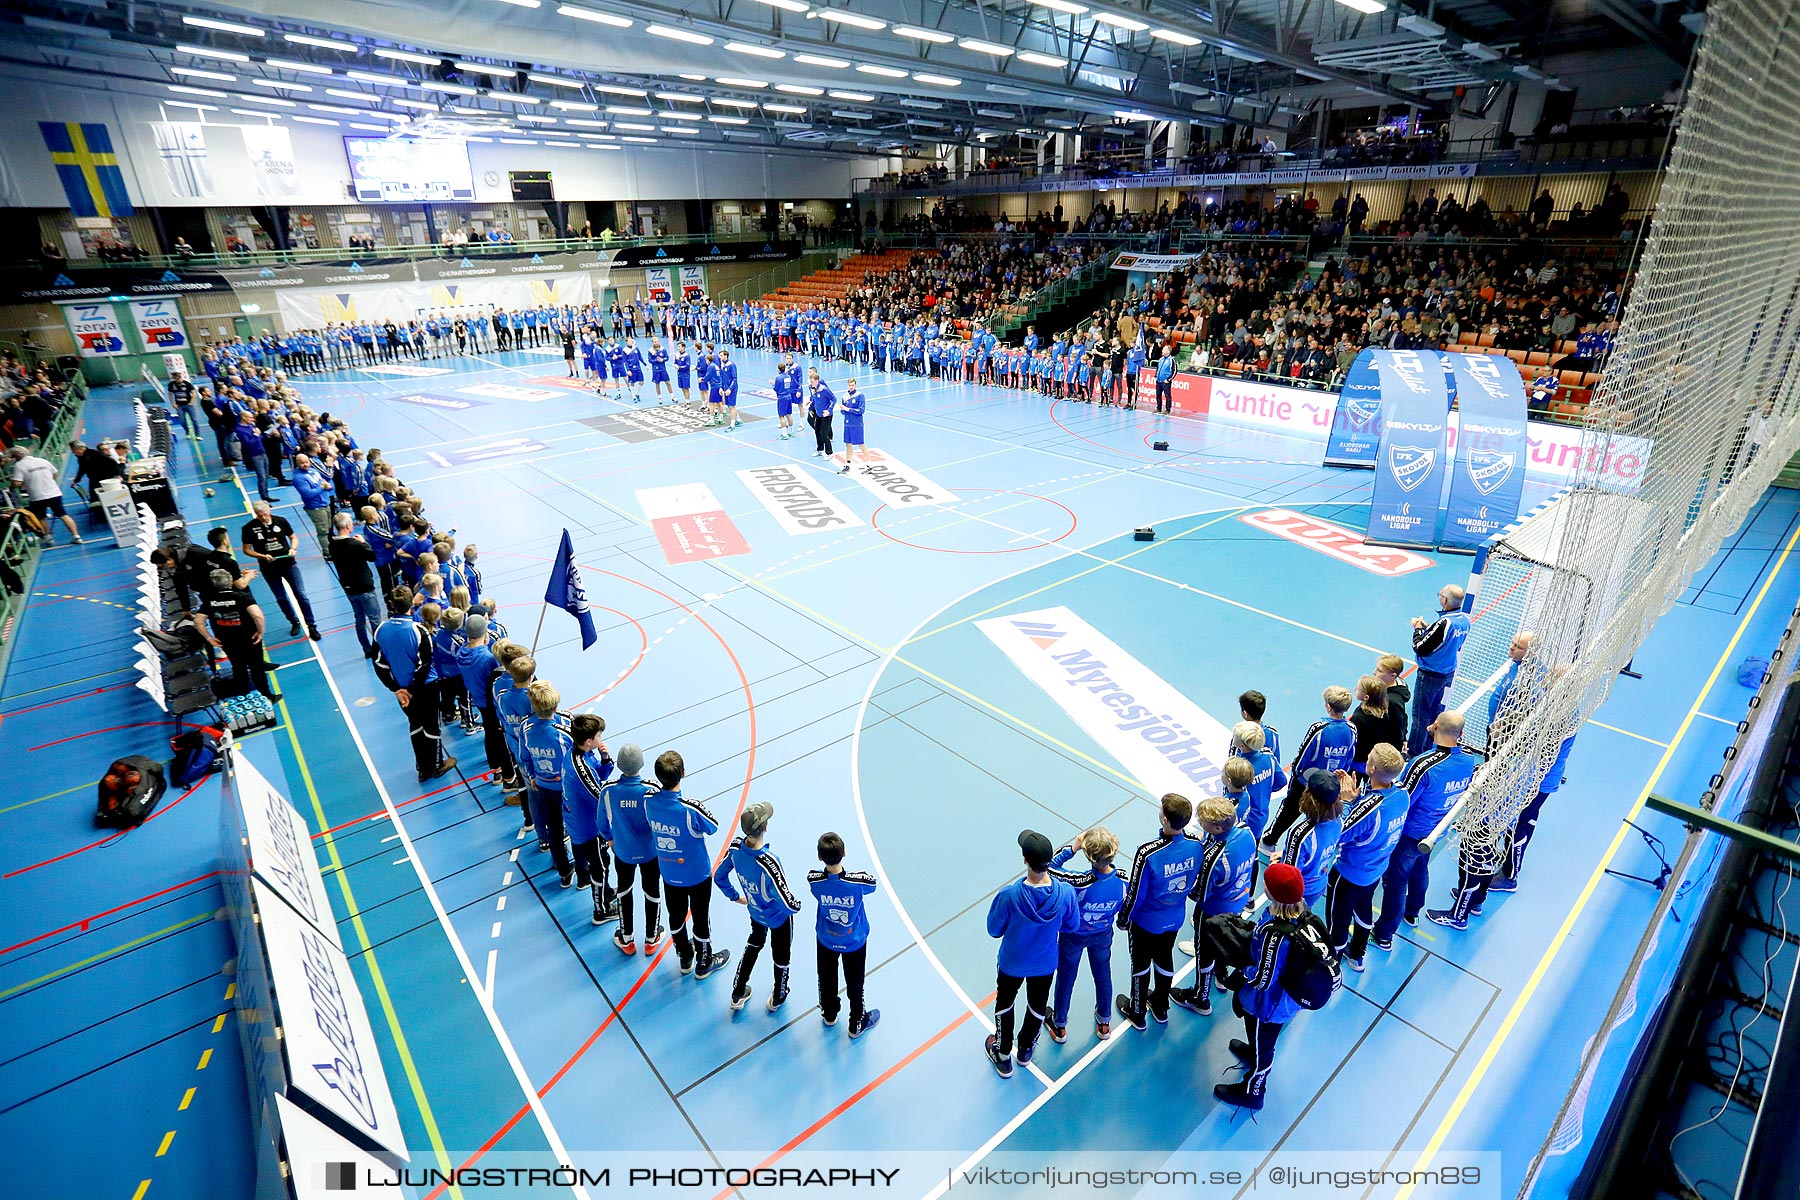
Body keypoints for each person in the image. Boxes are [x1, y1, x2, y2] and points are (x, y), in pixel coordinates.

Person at [1371, 711, 1475, 949]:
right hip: (1436, 830)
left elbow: (1403, 798)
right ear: (1461, 734)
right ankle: (1413, 911)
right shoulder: (1469, 759)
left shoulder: (1424, 764)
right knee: (1420, 869)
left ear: (1435, 726)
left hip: (1411, 832)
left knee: (1396, 882)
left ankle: (1384, 934)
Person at [1214, 863, 1311, 1111]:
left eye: (1266, 884)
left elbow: (1262, 979)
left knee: (1265, 1045)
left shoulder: (1276, 934)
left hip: (1267, 1005)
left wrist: (1241, 971)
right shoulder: (1301, 914)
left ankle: (1253, 1091)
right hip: (1282, 1000)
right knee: (1260, 1041)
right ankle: (1254, 1052)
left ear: (1272, 893)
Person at [984, 829, 1080, 1078]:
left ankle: (1003, 1054)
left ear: (1024, 859)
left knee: (1005, 1003)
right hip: (1045, 963)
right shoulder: (1066, 893)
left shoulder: (1009, 895)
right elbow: (1072, 925)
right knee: (1037, 1005)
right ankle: (1026, 1049)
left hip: (1012, 963)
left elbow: (994, 929)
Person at [1115, 794, 1202, 1031]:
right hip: (1174, 917)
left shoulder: (1148, 853)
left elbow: (1136, 893)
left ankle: (1137, 1009)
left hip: (1146, 922)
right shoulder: (1196, 844)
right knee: (1164, 956)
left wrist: (1123, 918)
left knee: (1140, 963)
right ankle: (1161, 1006)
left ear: (1164, 818)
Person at [645, 750, 731, 978]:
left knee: (676, 916)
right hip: (697, 875)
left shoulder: (649, 803)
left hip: (669, 874)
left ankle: (684, 956)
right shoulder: (689, 808)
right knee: (701, 918)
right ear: (683, 773)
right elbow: (713, 826)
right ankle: (704, 962)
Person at [1170, 795, 1257, 1014]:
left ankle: (1200, 997)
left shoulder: (1216, 859)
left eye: (1204, 823)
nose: (1200, 825)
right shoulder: (1247, 832)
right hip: (1237, 902)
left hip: (1212, 912)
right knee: (1225, 942)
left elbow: (1199, 894)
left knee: (1205, 952)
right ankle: (1221, 974)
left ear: (1217, 827)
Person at [1326, 744, 1410, 971]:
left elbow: (1339, 833)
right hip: (1376, 869)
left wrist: (1346, 802)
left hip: (1349, 873)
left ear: (1371, 769)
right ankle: (1357, 955)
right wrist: (1357, 800)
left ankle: (1333, 960)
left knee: (1338, 919)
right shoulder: (1402, 794)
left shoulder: (1369, 809)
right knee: (1364, 909)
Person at [717, 801, 804, 1012]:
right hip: (778, 918)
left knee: (754, 943)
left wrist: (736, 896)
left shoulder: (737, 848)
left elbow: (719, 875)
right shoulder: (769, 862)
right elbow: (786, 901)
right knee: (781, 955)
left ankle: (738, 992)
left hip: (755, 911)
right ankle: (779, 995)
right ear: (765, 828)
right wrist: (796, 905)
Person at [1046, 827, 1127, 1044]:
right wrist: (1121, 922)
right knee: (1103, 975)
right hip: (1102, 934)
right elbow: (1128, 905)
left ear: (1088, 855)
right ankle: (1104, 1021)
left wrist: (1073, 847)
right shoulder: (1123, 879)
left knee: (1066, 978)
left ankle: (1060, 1025)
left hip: (1073, 936)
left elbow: (1050, 866)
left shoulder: (1079, 881)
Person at [373, 585, 457, 785]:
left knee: (415, 725)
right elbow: (425, 665)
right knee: (431, 726)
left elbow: (378, 663)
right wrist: (411, 690)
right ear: (411, 604)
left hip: (402, 692)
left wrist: (396, 689)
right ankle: (436, 765)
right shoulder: (418, 631)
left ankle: (422, 768)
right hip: (425, 688)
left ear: (392, 605)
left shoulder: (380, 630)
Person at [1263, 686, 1356, 847]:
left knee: (1290, 809)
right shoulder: (1351, 729)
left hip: (1307, 780)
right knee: (1320, 813)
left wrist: (1296, 773)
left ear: (1328, 706)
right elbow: (1350, 755)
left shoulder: (1319, 729)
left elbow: (1303, 753)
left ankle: (1270, 839)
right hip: (1331, 782)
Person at [809, 832, 880, 1037]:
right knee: (855, 981)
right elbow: (872, 884)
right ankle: (856, 1022)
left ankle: (829, 1014)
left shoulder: (814, 880)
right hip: (853, 941)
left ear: (819, 857)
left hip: (826, 939)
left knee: (826, 977)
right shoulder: (857, 882)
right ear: (845, 853)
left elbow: (817, 881)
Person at [601, 743, 665, 956]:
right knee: (652, 890)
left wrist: (610, 839)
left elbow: (601, 822)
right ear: (642, 764)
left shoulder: (609, 790)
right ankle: (651, 937)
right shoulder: (651, 790)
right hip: (650, 852)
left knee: (624, 890)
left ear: (619, 766)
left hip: (623, 852)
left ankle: (626, 938)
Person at [561, 711, 621, 924]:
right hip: (588, 828)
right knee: (600, 867)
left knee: (601, 864)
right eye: (599, 736)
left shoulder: (579, 753)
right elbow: (600, 797)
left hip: (580, 820)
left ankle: (605, 892)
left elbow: (599, 775)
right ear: (589, 741)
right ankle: (601, 910)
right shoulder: (580, 769)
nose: (601, 739)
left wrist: (605, 760)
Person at [519, 680, 578, 888]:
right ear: (555, 707)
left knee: (553, 827)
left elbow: (524, 757)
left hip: (542, 785)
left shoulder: (526, 727)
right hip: (565, 789)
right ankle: (584, 870)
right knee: (576, 826)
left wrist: (533, 775)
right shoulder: (563, 732)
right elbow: (575, 763)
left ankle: (564, 872)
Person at [241, 501, 320, 641]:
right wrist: (262, 556)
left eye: (265, 514)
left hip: (289, 565)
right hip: (269, 568)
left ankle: (311, 625)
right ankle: (293, 621)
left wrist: (293, 548)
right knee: (281, 597)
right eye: (260, 516)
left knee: (301, 595)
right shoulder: (249, 528)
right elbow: (246, 550)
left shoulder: (281, 521)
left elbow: (293, 537)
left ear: (269, 510)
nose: (264, 518)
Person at [1271, 768, 1350, 907]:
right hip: (1318, 884)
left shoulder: (1300, 834)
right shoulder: (1340, 819)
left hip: (1298, 894)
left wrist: (1276, 866)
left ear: (1309, 798)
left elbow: (1289, 877)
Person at [1408, 584, 1469, 755]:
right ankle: (1431, 746)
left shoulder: (1445, 622)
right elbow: (1445, 641)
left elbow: (1420, 646)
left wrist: (1418, 629)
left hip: (1430, 674)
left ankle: (1414, 753)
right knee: (1435, 711)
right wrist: (1430, 629)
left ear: (1445, 599)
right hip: (1447, 672)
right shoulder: (1464, 620)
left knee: (1420, 716)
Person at [197, 568, 275, 699]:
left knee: (238, 667)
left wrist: (209, 638)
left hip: (226, 640)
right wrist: (260, 632)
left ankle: (244, 695)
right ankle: (267, 695)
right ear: (231, 582)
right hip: (249, 638)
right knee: (257, 667)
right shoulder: (242, 597)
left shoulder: (210, 601)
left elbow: (198, 621)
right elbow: (258, 616)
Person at [329, 512, 382, 657]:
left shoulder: (332, 544)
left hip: (349, 588)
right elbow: (372, 556)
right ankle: (379, 649)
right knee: (374, 619)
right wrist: (364, 543)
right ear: (347, 526)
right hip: (364, 586)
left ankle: (367, 649)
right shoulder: (354, 544)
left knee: (359, 619)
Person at [5, 447, 82, 547]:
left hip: (37, 496)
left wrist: (14, 486)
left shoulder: (19, 465)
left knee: (41, 517)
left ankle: (47, 538)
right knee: (63, 515)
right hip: (54, 493)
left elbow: (16, 483)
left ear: (16, 456)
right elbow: (55, 473)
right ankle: (76, 536)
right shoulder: (42, 460)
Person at [1229, 721, 1278, 842]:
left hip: (1245, 820)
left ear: (1243, 746)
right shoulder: (1268, 756)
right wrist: (1262, 790)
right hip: (1262, 814)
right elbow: (1280, 781)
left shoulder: (1239, 768)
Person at [1350, 675, 1406, 775]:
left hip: (1358, 761)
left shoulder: (1359, 716)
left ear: (1366, 697)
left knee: (1355, 784)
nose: (1354, 689)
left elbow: (1353, 740)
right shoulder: (1384, 714)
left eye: (1357, 689)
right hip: (1375, 761)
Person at [839, 379, 868, 474]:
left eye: (852, 385)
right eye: (849, 385)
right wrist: (843, 409)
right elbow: (842, 412)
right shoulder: (844, 396)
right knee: (848, 444)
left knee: (861, 444)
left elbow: (861, 411)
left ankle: (869, 464)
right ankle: (847, 465)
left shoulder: (860, 395)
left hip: (857, 424)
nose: (851, 387)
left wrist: (848, 409)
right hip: (847, 424)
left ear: (855, 385)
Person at [807, 369, 836, 459]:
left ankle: (829, 453)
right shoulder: (813, 389)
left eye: (812, 382)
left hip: (826, 415)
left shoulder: (824, 389)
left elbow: (834, 399)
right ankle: (820, 449)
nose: (811, 383)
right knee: (817, 431)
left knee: (823, 433)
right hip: (818, 414)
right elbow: (814, 401)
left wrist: (829, 409)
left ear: (817, 381)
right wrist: (810, 409)